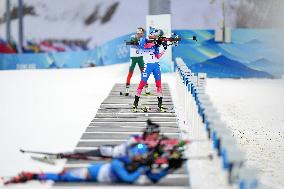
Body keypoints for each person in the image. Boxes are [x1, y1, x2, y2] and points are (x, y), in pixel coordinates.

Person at [3, 144, 173, 185]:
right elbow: (128, 178)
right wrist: (144, 167)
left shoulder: (133, 160)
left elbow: (154, 177)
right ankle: (32, 175)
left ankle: (32, 175)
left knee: (65, 175)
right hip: (95, 169)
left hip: (100, 167)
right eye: (140, 155)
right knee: (67, 175)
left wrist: (172, 167)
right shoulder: (121, 162)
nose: (142, 157)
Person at [132, 27, 167, 112]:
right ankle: (135, 105)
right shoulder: (143, 40)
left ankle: (160, 105)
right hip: (147, 66)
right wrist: (156, 42)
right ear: (151, 34)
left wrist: (164, 49)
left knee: (159, 85)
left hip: (156, 66)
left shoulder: (155, 44)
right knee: (141, 84)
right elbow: (145, 45)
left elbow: (157, 56)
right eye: (154, 35)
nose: (155, 37)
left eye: (156, 36)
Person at [124, 27, 150, 96]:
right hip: (133, 58)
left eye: (142, 34)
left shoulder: (143, 39)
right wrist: (141, 44)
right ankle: (127, 89)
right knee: (130, 73)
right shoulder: (133, 37)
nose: (141, 35)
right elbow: (133, 45)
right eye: (140, 33)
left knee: (143, 73)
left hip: (140, 58)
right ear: (138, 32)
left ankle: (146, 88)